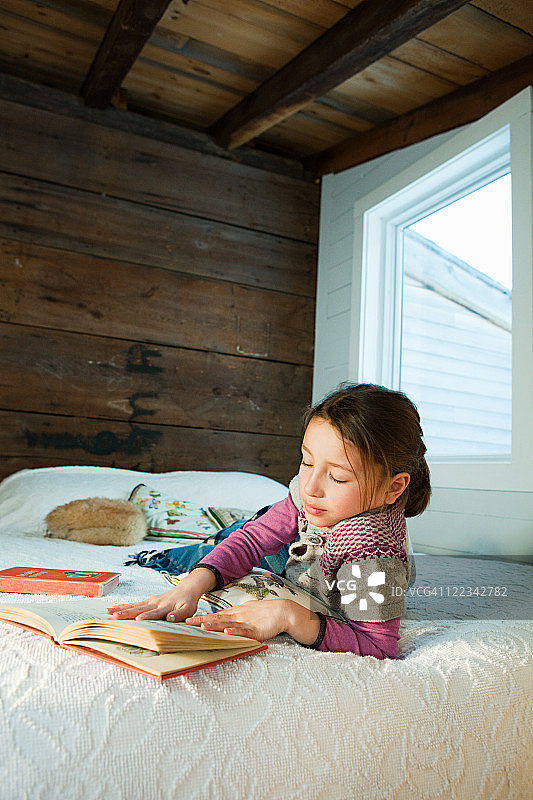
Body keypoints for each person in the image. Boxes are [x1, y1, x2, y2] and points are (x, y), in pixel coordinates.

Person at [107, 383, 431, 659]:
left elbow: (377, 644)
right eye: (306, 461)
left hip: (305, 565)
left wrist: (289, 615)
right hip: (285, 549)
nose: (311, 487)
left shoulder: (374, 556)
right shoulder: (309, 498)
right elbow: (251, 540)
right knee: (225, 542)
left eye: (337, 477)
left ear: (393, 487)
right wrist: (194, 584)